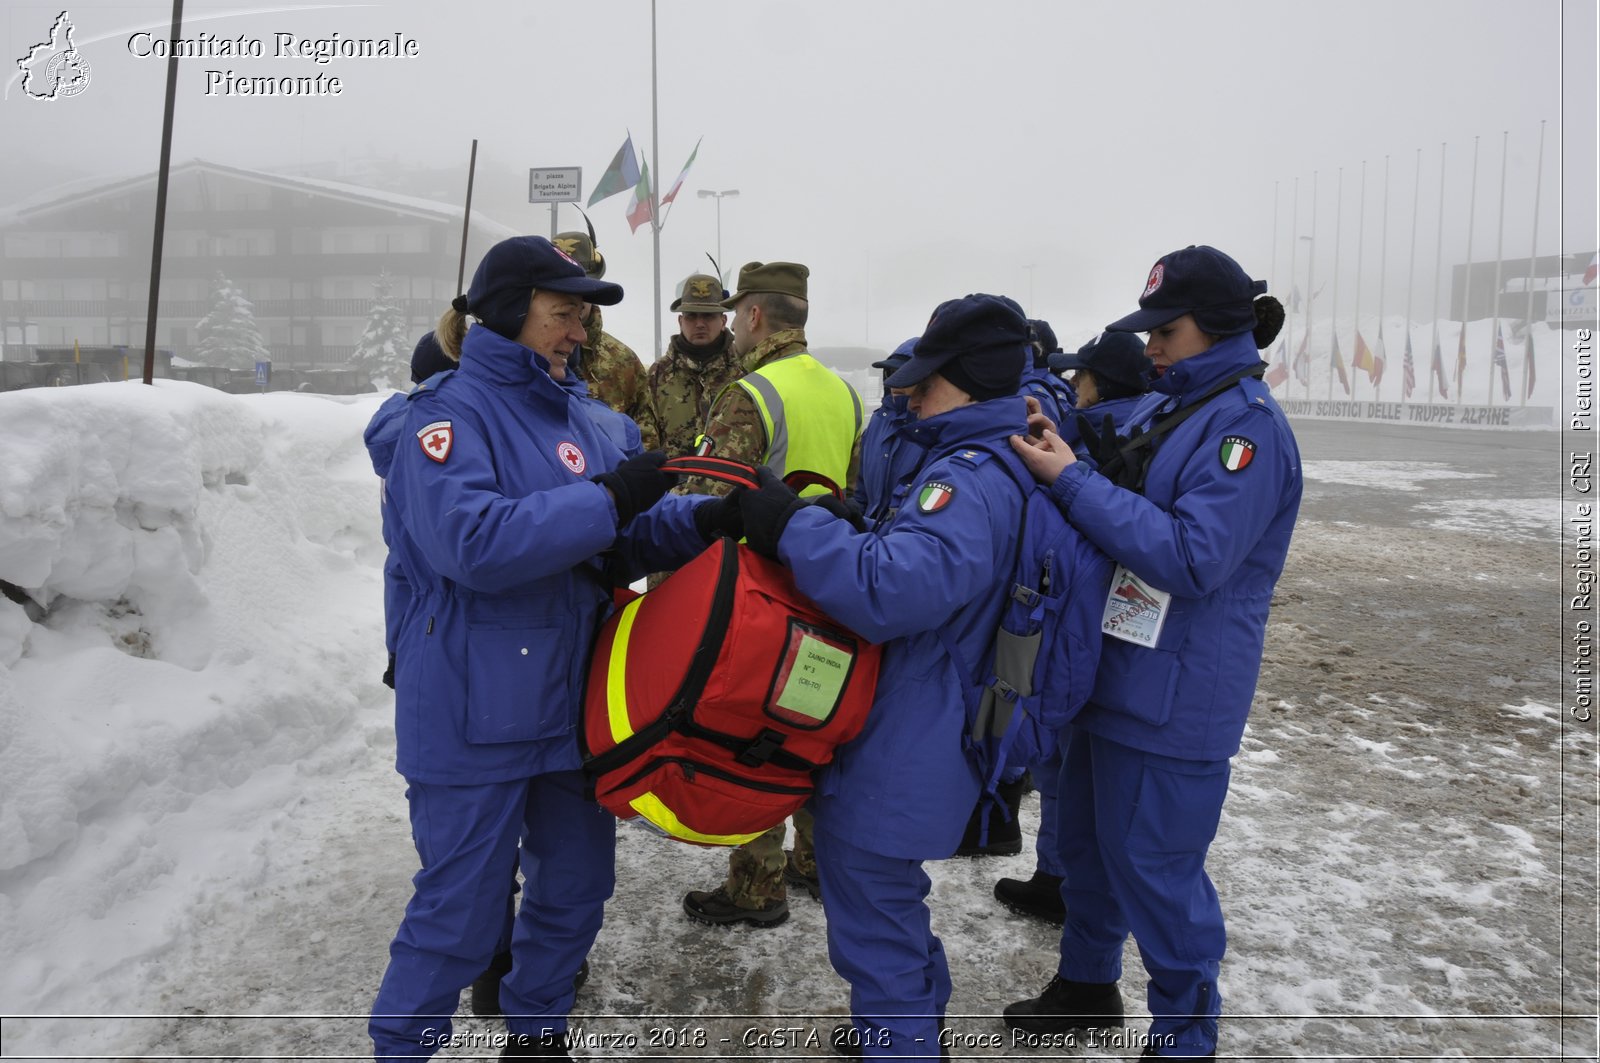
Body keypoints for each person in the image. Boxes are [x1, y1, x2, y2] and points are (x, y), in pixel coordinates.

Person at [367, 235, 714, 1061]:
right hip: (469, 708)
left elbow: (623, 537)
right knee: (460, 914)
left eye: (582, 318)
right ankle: (402, 1049)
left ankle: (537, 1030)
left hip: (577, 703)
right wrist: (609, 497)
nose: (579, 333)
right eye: (563, 314)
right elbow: (473, 544)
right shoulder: (444, 417)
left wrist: (713, 520)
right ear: (506, 312)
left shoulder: (597, 422)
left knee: (576, 891)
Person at [717, 293, 1082, 1060]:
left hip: (906, 742)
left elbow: (890, 590)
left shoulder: (969, 479)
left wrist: (793, 523)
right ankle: (917, 1027)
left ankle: (905, 1039)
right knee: (891, 916)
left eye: (929, 380)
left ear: (971, 381)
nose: (910, 393)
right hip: (924, 728)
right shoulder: (986, 461)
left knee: (875, 932)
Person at [1003, 245, 1300, 1060]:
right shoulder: (1174, 405)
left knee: (1161, 877)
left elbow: (1193, 556)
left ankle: (1185, 1035)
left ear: (1218, 328)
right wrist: (1046, 410)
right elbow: (1098, 433)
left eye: (1165, 330)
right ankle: (1089, 984)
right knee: (1091, 855)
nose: (1151, 347)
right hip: (1118, 674)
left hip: (1177, 698)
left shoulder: (1246, 430)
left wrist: (1071, 480)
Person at [681, 260, 865, 928]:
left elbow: (704, 496)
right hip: (835, 589)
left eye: (734, 314)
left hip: (763, 595)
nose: (729, 325)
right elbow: (854, 488)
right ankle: (814, 863)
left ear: (755, 316)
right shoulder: (844, 393)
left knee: (757, 737)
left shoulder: (751, 393)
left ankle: (757, 888)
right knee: (817, 726)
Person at [992, 329, 1153, 923]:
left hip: (1076, 618)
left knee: (1061, 761)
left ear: (1098, 383)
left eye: (1078, 376)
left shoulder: (1099, 437)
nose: (1071, 385)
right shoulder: (1147, 429)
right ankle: (1058, 876)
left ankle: (1057, 876)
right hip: (1123, 626)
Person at [552, 229, 658, 449]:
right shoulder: (529, 354)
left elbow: (646, 439)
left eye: (580, 289)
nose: (572, 299)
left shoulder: (623, 361)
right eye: (560, 292)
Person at [647, 272, 746, 456]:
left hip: (731, 482)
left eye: (708, 316)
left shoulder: (744, 370)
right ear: (680, 321)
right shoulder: (658, 374)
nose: (700, 324)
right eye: (691, 316)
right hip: (671, 481)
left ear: (723, 321)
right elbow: (647, 441)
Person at [849, 337, 924, 522]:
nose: (895, 381)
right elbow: (862, 493)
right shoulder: (877, 422)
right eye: (890, 371)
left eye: (904, 373)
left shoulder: (931, 428)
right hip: (871, 539)